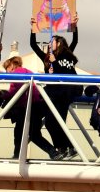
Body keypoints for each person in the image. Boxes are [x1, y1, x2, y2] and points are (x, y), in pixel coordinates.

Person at [30, 16, 82, 159]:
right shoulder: (47, 58)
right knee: (50, 123)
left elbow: (75, 41)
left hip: (64, 93)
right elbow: (33, 45)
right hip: (51, 94)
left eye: (51, 41)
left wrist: (74, 27)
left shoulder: (67, 54)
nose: (49, 43)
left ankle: (68, 148)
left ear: (59, 43)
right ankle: (63, 147)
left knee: (58, 122)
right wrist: (33, 29)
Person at [1, 56, 63, 160]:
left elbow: (15, 89)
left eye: (6, 69)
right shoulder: (27, 71)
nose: (7, 73)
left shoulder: (17, 73)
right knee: (32, 133)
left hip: (28, 108)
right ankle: (52, 152)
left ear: (11, 66)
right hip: (36, 106)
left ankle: (18, 155)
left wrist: (4, 95)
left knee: (21, 133)